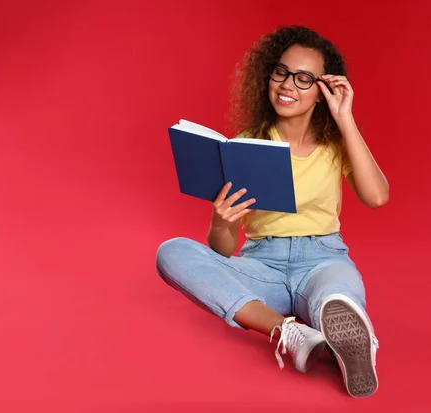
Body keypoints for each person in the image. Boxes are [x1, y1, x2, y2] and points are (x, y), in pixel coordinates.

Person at [156, 25, 389, 398]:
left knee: (337, 297)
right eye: (281, 72)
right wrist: (221, 220)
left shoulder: (336, 143)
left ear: (321, 92)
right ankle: (289, 331)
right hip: (262, 266)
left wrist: (345, 119)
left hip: (322, 258)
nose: (287, 85)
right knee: (170, 251)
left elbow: (377, 196)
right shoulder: (246, 145)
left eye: (303, 79)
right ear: (269, 74)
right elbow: (221, 251)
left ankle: (350, 335)